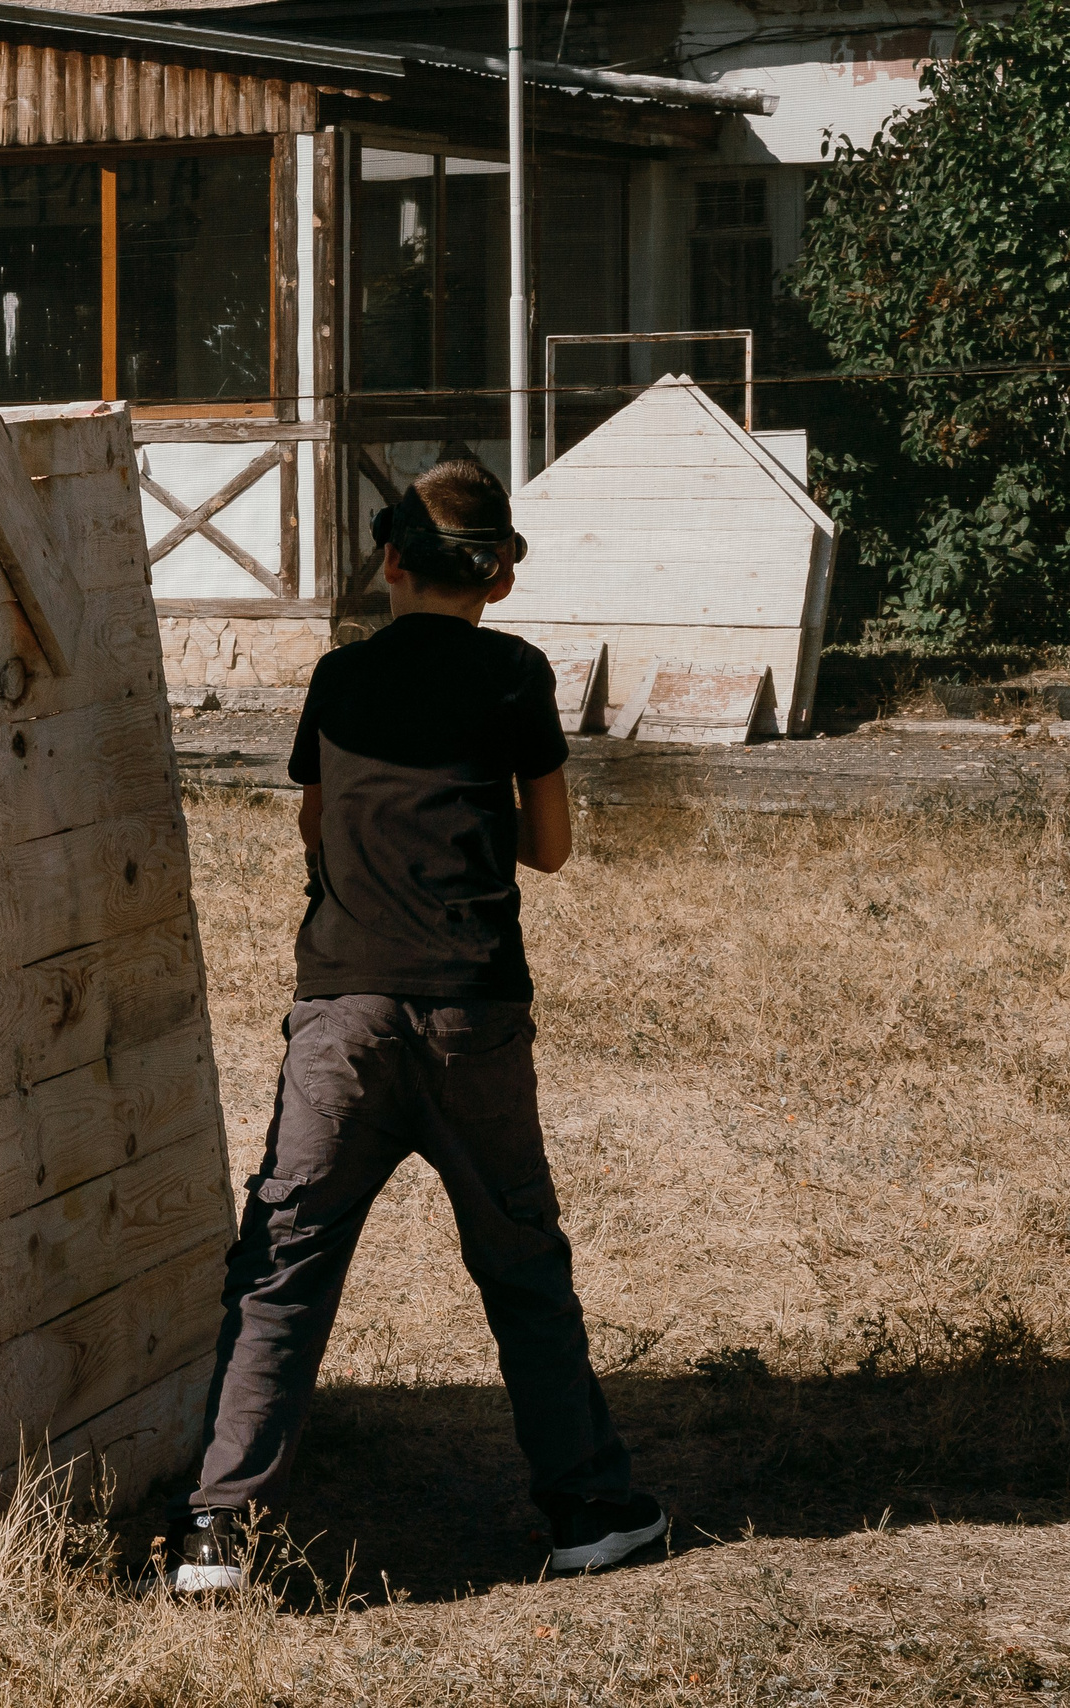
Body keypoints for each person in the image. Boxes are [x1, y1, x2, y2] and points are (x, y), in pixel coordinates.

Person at [162, 460, 665, 1590]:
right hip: (473, 1014)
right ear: (497, 577)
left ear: (389, 558)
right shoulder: (515, 672)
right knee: (522, 1266)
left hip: (340, 1019)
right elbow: (550, 848)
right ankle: (589, 1511)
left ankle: (218, 1535)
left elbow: (314, 827)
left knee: (281, 1269)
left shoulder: (339, 677)